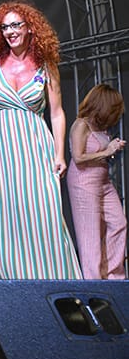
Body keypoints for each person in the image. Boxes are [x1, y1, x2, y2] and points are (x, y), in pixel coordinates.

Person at [0, 0, 82, 280]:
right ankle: (8, 279)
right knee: (4, 212)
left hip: (35, 146)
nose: (10, 32)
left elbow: (57, 113)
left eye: (16, 25)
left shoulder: (46, 66)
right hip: (0, 148)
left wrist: (59, 153)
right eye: (5, 27)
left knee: (43, 210)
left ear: (30, 27)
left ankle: (50, 276)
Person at [66, 84, 126, 279]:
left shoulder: (101, 127)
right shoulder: (81, 125)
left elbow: (102, 152)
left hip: (103, 181)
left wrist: (113, 147)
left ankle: (113, 275)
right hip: (83, 182)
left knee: (119, 223)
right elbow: (78, 157)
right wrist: (107, 151)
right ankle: (94, 280)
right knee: (90, 234)